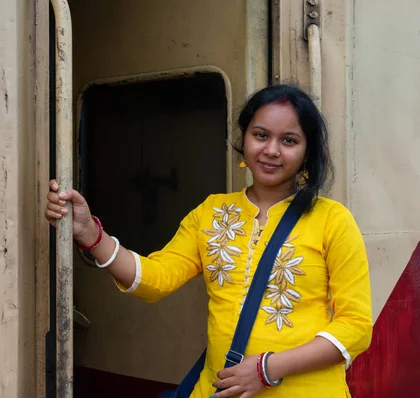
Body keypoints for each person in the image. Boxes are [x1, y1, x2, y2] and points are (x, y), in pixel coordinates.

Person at [45, 84, 372, 398]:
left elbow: (355, 327)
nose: (271, 150)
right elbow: (156, 279)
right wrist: (90, 234)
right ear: (245, 138)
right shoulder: (212, 212)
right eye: (261, 135)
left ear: (306, 151)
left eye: (289, 140)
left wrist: (266, 368)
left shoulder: (332, 219)